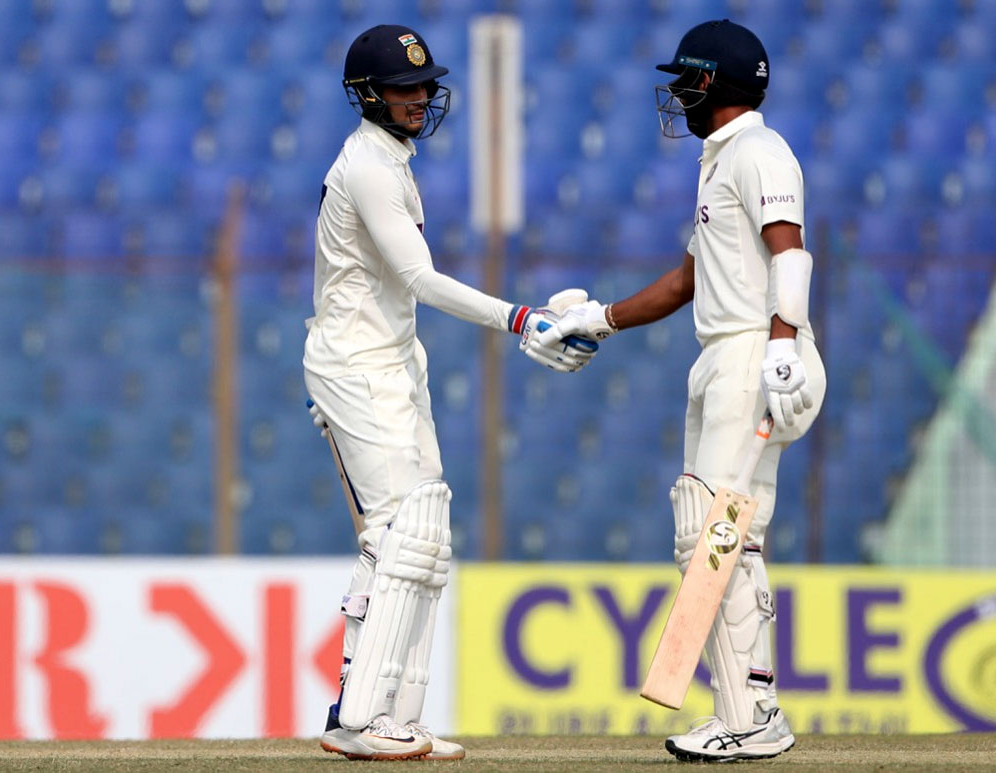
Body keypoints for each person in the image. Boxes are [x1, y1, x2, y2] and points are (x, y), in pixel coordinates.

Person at [304, 24, 596, 761]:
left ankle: (389, 712)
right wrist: (520, 317)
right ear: (367, 95)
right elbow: (419, 278)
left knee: (419, 538)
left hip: (395, 362)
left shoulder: (393, 159)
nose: (421, 98)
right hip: (354, 366)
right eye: (405, 88)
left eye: (425, 85)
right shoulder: (367, 166)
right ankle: (358, 719)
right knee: (399, 535)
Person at [543, 19, 826, 763]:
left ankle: (750, 716)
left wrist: (782, 345)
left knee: (712, 533)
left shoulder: (761, 152)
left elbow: (789, 254)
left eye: (686, 80)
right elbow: (687, 280)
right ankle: (753, 704)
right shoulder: (718, 160)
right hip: (727, 357)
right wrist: (597, 318)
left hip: (757, 356)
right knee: (725, 534)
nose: (676, 93)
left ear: (717, 83)